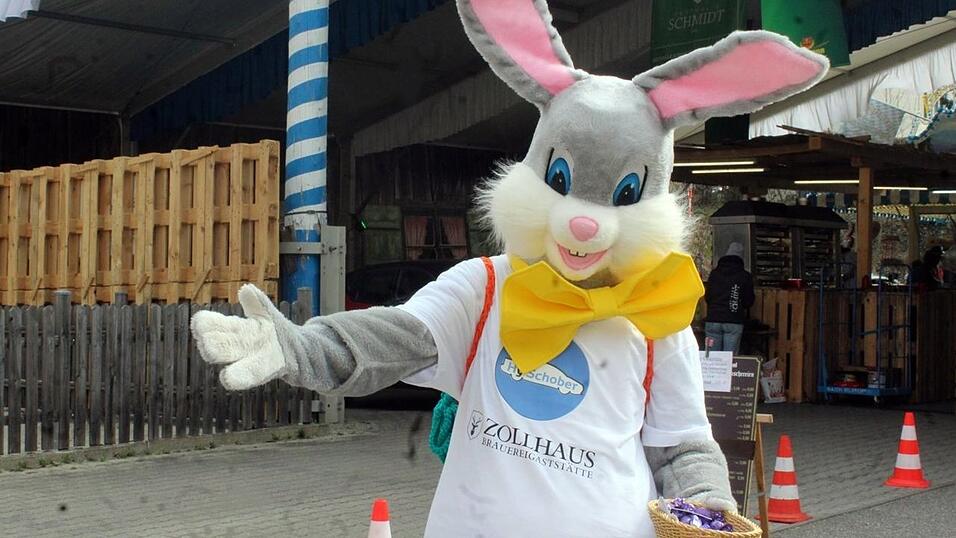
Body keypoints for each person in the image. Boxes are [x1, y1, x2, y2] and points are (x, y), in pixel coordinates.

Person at [705, 243, 756, 354]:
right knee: (729, 359)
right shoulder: (744, 276)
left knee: (712, 358)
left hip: (713, 319)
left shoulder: (714, 274)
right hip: (733, 320)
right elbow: (748, 301)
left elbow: (708, 297)